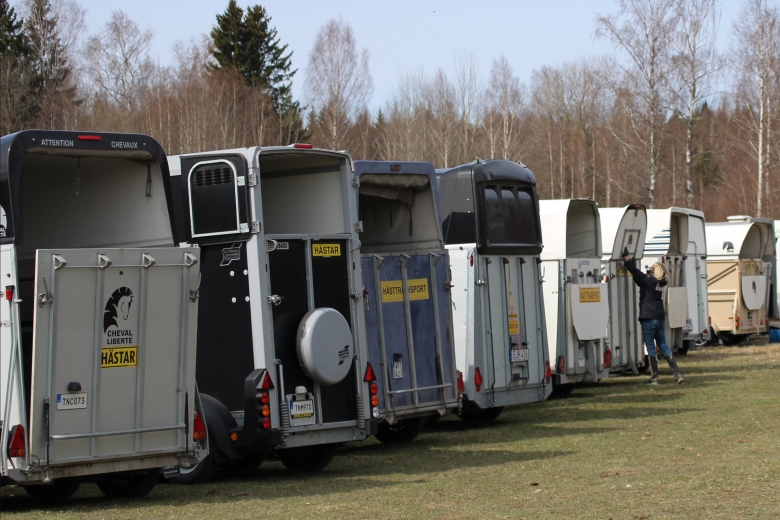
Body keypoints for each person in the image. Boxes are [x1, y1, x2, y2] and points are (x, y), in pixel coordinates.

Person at [622, 250, 684, 385]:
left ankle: (655, 377)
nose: (649, 270)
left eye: (651, 269)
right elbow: (639, 280)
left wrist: (627, 260)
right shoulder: (660, 283)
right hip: (659, 317)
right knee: (663, 345)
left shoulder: (649, 281)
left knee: (650, 347)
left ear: (655, 271)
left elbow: (636, 274)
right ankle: (677, 374)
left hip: (648, 317)